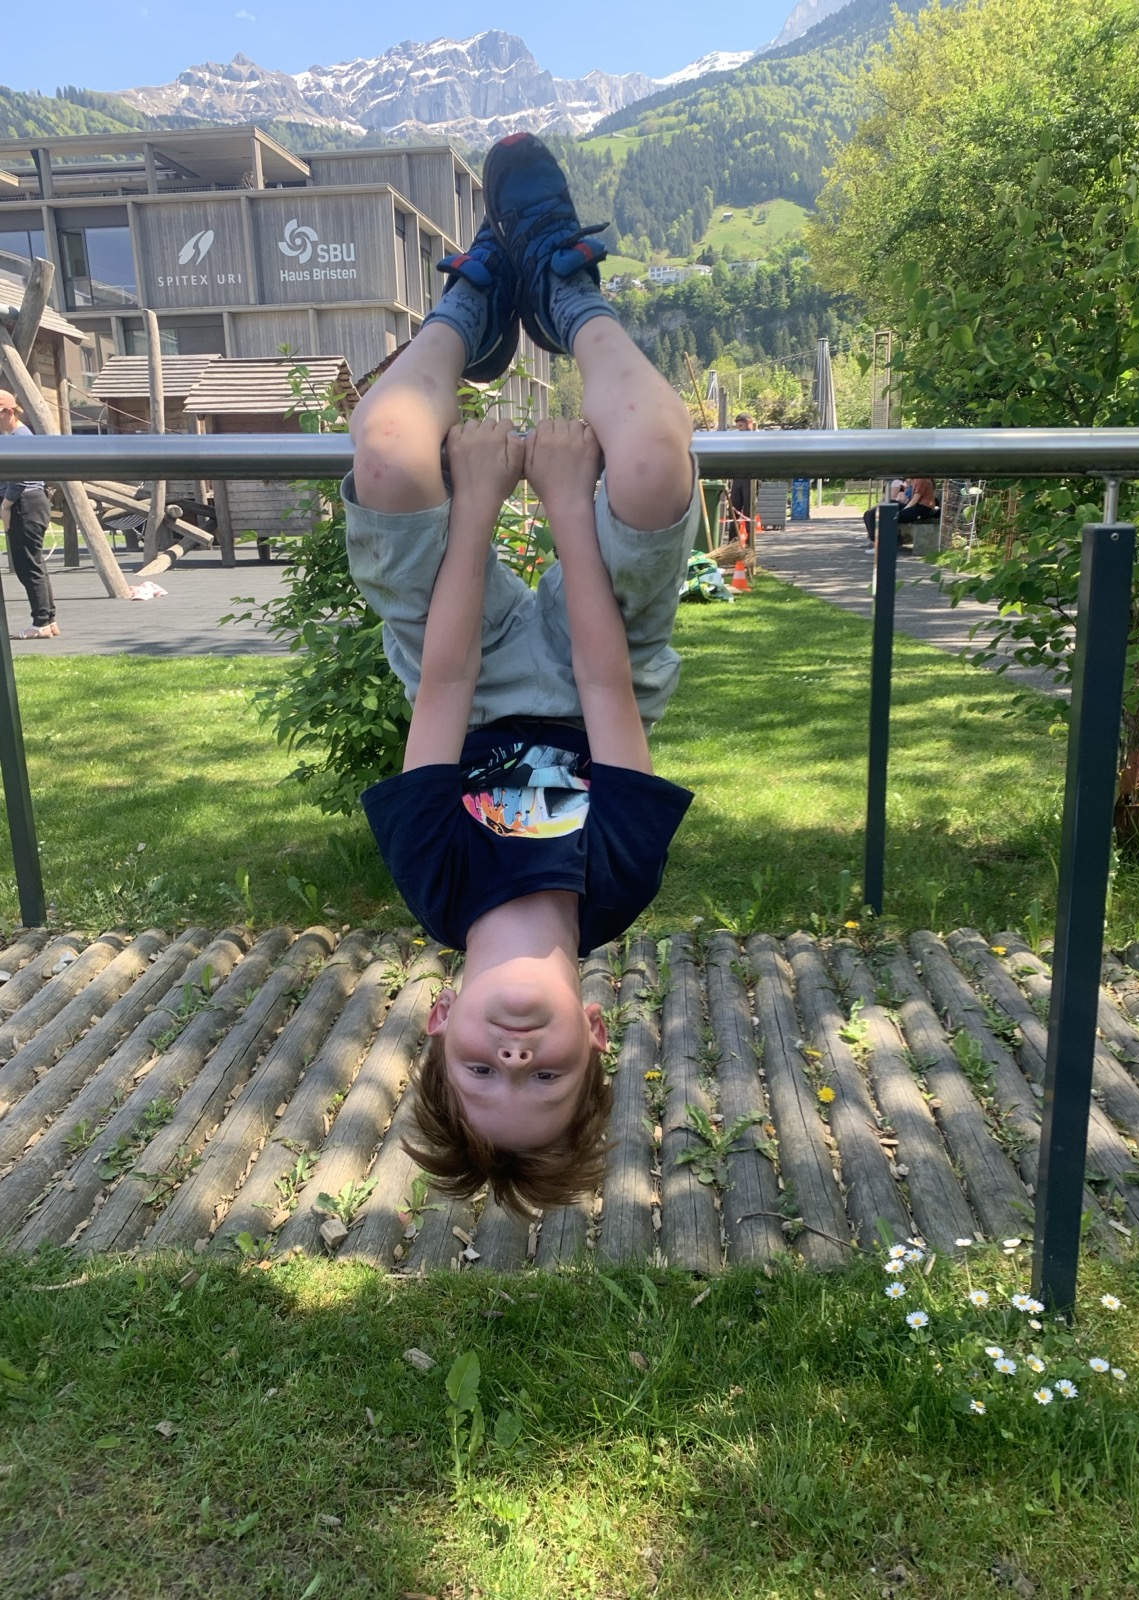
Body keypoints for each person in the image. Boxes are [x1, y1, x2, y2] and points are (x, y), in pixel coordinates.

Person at [344, 132, 699, 1214]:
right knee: (650, 462)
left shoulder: (435, 877)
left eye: (482, 1073)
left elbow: (445, 687)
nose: (513, 1057)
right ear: (594, 1034)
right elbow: (606, 690)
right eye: (545, 1079)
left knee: (390, 453)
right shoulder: (618, 879)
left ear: (439, 1023)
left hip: (472, 665)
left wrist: (481, 506)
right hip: (602, 665)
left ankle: (470, 310)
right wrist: (567, 508)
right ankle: (565, 293)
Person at [0, 391, 58, 639]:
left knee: (27, 566)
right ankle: (48, 620)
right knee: (34, 564)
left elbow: (20, 478)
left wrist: (6, 506)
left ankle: (41, 623)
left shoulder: (19, 437)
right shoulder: (14, 437)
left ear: (9, 412)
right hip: (30, 503)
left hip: (24, 503)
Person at [863, 475, 939, 549]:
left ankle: (884, 543)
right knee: (873, 512)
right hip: (916, 506)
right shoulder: (916, 479)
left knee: (892, 516)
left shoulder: (922, 479)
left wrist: (903, 510)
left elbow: (915, 500)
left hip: (922, 509)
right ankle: (876, 539)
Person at [727, 411, 756, 542]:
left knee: (749, 510)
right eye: (738, 426)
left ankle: (750, 541)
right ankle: (733, 542)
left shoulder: (756, 438)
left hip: (750, 478)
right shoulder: (736, 439)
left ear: (749, 423)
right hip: (737, 477)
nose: (739, 429)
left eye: (741, 426)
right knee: (734, 510)